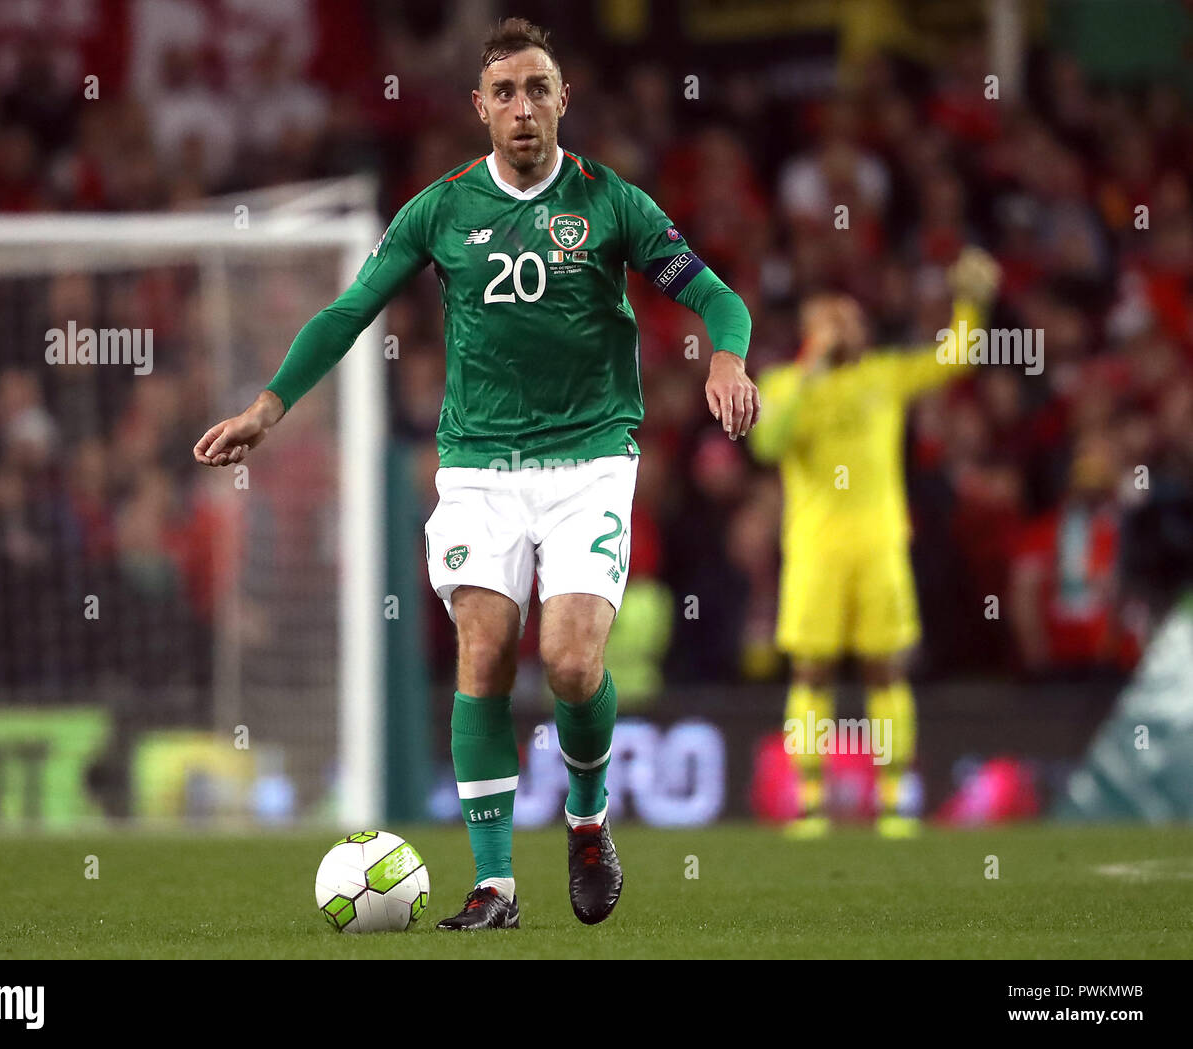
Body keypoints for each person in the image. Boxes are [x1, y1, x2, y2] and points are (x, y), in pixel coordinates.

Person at [193, 18, 757, 928]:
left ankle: (586, 819)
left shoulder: (611, 203)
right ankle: (495, 885)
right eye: (505, 92)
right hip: (480, 468)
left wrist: (725, 357)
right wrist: (269, 405)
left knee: (572, 665)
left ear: (564, 99)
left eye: (539, 89)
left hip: (590, 460)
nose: (523, 108)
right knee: (484, 653)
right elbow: (347, 311)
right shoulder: (440, 209)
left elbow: (714, 293)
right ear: (479, 108)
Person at [751, 248, 1000, 838]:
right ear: (810, 333)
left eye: (852, 318)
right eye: (831, 320)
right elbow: (765, 444)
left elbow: (958, 357)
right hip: (815, 551)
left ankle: (894, 797)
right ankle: (809, 799)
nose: (846, 328)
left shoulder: (884, 376)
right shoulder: (785, 384)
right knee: (810, 673)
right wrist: (811, 368)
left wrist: (972, 302)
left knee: (885, 672)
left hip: (879, 547)